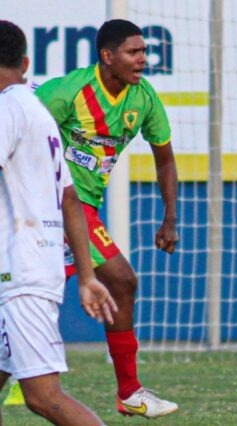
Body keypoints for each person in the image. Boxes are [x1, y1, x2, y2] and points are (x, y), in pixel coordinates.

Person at [35, 19, 179, 417]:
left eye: (145, 52)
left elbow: (165, 160)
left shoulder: (143, 99)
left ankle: (128, 393)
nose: (143, 60)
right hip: (54, 203)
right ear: (107, 56)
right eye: (134, 52)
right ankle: (130, 392)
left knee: (33, 297)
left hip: (82, 209)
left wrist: (170, 218)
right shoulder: (67, 93)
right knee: (121, 279)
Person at [0, 20, 119, 425]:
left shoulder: (8, 109)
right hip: (28, 269)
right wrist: (86, 276)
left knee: (44, 397)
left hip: (21, 276)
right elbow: (69, 198)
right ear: (26, 62)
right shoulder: (38, 109)